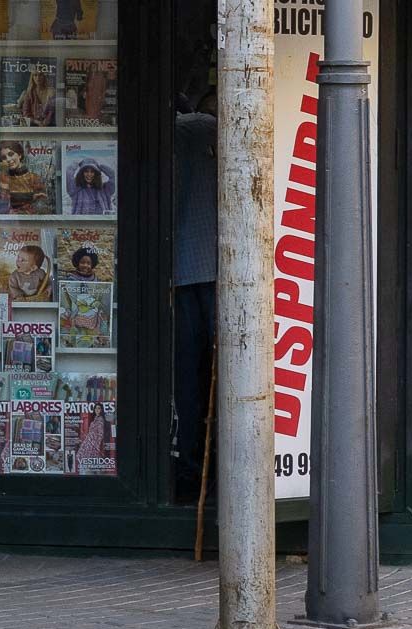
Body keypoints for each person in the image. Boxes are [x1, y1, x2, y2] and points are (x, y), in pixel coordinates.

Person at [173, 100, 218, 501]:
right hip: (210, 271)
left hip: (188, 272)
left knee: (190, 376)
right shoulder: (202, 129)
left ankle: (192, 465)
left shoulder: (181, 134)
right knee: (210, 376)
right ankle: (204, 465)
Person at [0, 141, 50, 214]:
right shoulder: (3, 178)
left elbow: (42, 205)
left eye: (11, 154)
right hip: (10, 223)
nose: (8, 159)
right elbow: (3, 203)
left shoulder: (34, 178)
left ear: (19, 155)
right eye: (4, 157)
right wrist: (30, 197)